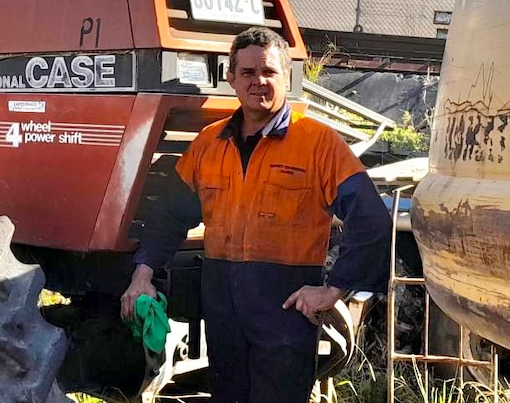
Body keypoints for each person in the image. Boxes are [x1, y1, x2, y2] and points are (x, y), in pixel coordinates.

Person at [120, 27, 392, 403]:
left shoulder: (318, 144)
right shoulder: (209, 144)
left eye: (269, 72)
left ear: (287, 78)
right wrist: (143, 273)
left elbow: (373, 222)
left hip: (285, 310)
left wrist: (333, 290)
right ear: (231, 78)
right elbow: (169, 215)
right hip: (221, 306)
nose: (258, 82)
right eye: (247, 73)